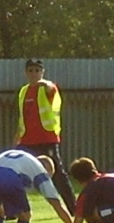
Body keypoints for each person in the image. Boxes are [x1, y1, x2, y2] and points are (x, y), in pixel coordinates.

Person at [14, 58, 77, 214]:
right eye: (30, 70)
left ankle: (74, 209)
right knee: (17, 174)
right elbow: (23, 117)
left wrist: (47, 83)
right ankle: (16, 209)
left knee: (58, 176)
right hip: (27, 140)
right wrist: (17, 138)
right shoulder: (23, 91)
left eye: (37, 70)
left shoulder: (46, 88)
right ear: (25, 73)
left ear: (42, 72)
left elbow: (51, 89)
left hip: (46, 139)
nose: (34, 74)